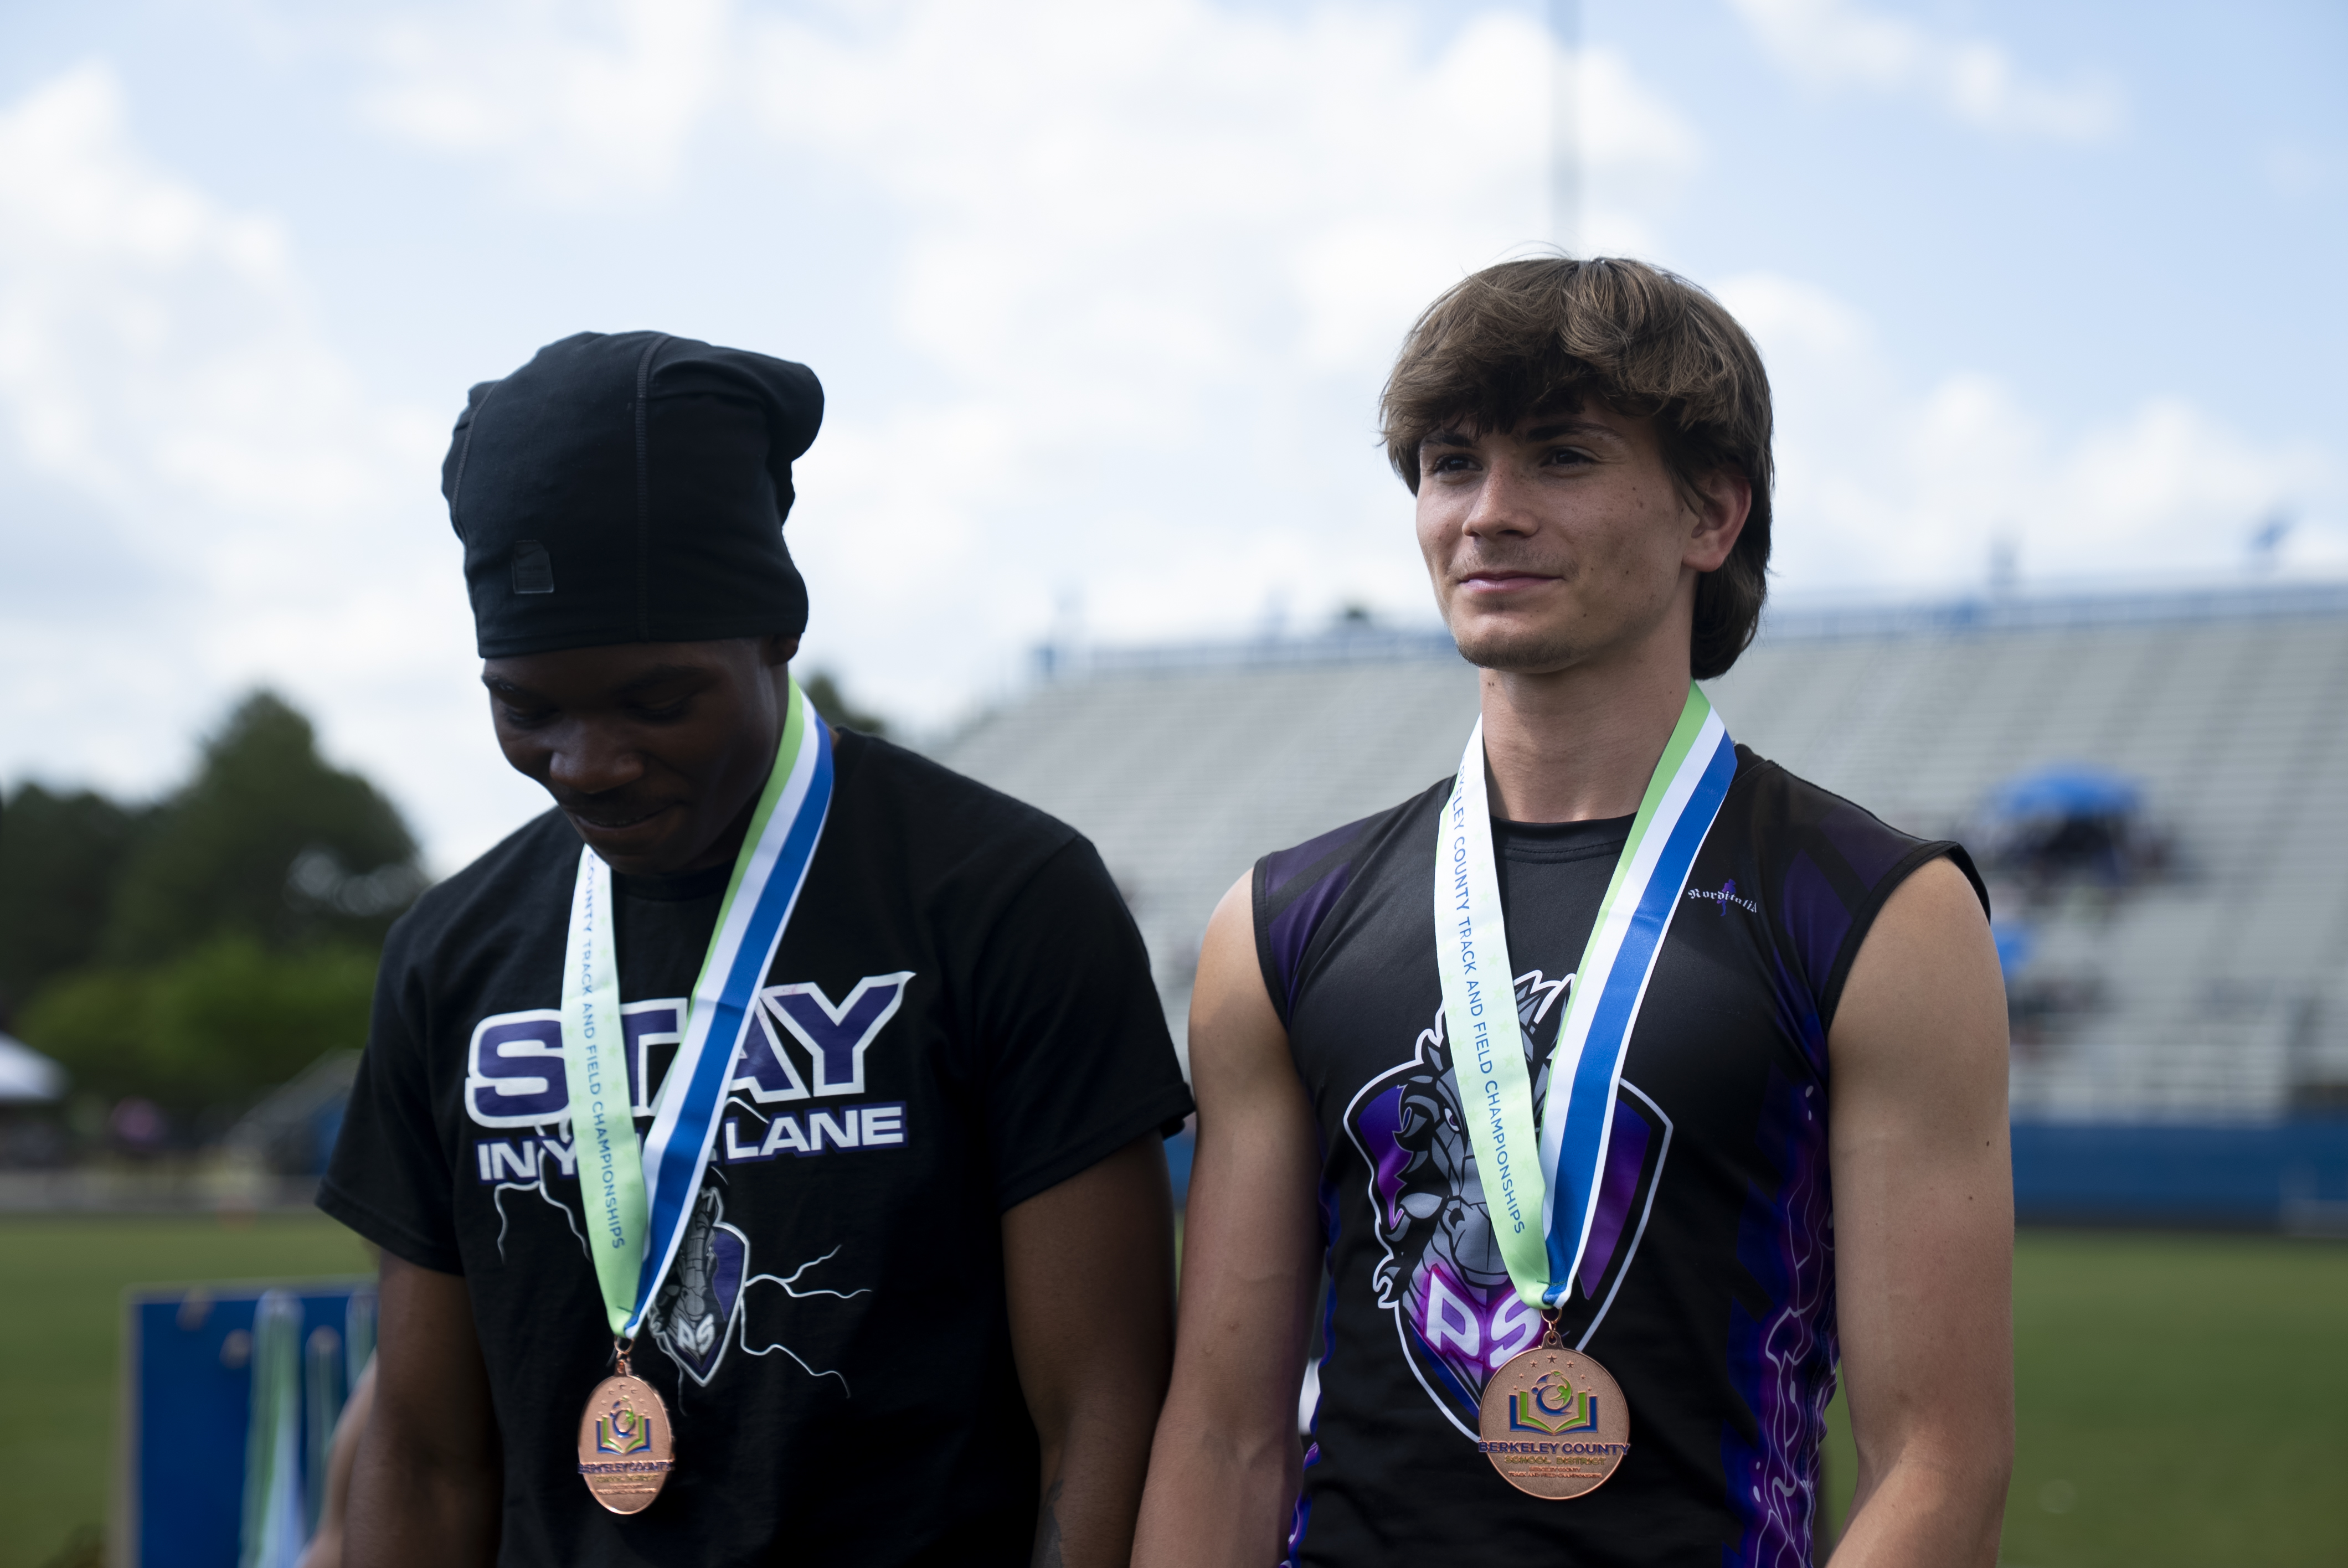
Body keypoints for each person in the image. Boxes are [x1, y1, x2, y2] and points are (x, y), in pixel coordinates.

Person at [1134, 258, 2012, 1567]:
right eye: (1450, 465)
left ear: (1710, 513)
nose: (1488, 513)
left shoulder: (1876, 912)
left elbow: (1935, 1463)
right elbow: (1222, 1438)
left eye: (1560, 457)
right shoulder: (1276, 924)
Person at [320, 332, 1192, 1567]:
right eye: (527, 708)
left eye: (656, 701)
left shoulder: (1002, 898)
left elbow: (1103, 1416)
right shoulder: (450, 955)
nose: (588, 763)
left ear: (777, 631)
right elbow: (421, 1455)